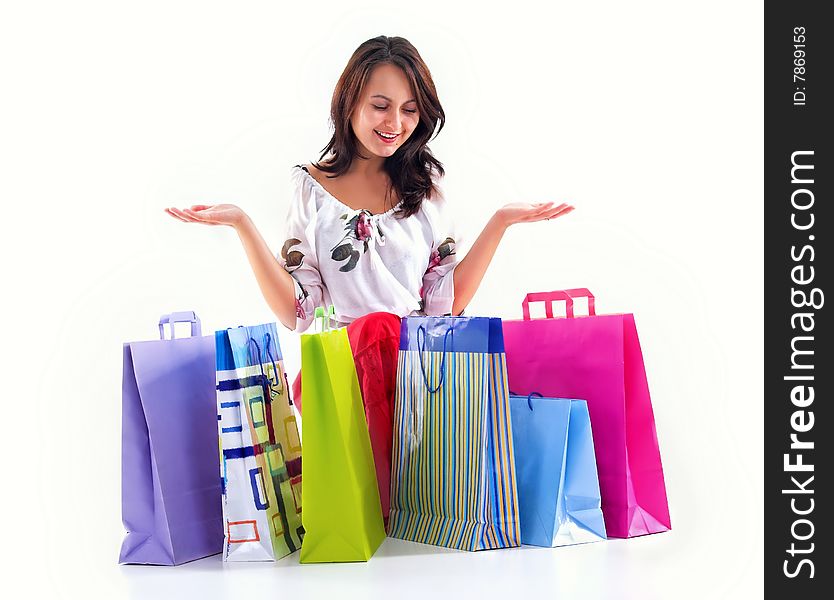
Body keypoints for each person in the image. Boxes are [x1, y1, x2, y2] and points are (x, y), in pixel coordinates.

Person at [165, 35, 573, 523]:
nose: (395, 124)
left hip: (415, 382)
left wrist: (501, 221)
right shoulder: (309, 188)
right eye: (380, 105)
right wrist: (242, 225)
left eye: (410, 110)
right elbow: (298, 311)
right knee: (360, 519)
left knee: (420, 514)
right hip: (341, 380)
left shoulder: (427, 189)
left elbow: (442, 302)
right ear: (349, 102)